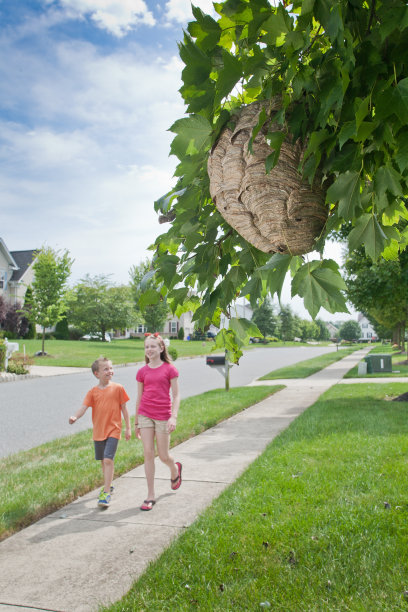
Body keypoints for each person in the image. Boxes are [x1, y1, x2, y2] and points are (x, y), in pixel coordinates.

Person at [69, 357, 131, 508]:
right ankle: (108, 484)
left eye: (111, 368)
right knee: (104, 462)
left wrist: (128, 427)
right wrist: (75, 416)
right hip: (98, 432)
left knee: (108, 460)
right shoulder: (93, 392)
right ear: (97, 374)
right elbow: (83, 407)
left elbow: (124, 409)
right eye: (106, 369)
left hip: (114, 430)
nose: (110, 371)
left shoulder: (118, 388)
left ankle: (106, 492)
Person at [135, 332, 182, 511]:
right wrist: (137, 422)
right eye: (147, 347)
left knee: (163, 456)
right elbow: (139, 397)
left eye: (153, 346)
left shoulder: (170, 369)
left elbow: (176, 395)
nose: (149, 349)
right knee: (148, 453)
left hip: (163, 415)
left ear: (161, 348)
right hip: (145, 414)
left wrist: (173, 417)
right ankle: (150, 495)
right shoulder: (142, 371)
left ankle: (174, 470)